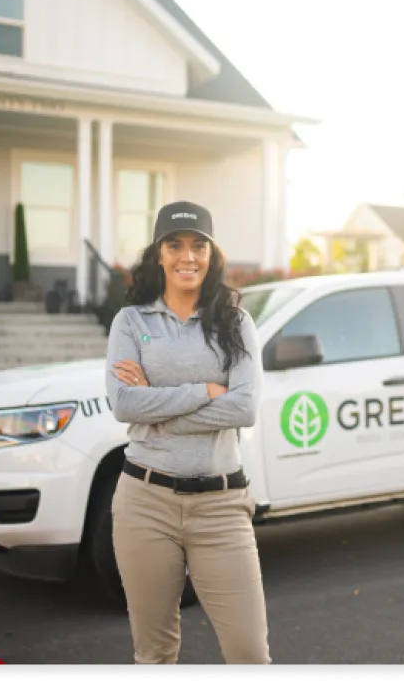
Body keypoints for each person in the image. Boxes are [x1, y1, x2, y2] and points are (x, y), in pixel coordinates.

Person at [105, 200, 271, 666]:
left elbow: (243, 408)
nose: (188, 256)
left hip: (221, 507)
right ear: (158, 253)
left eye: (199, 245)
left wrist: (155, 403)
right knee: (154, 654)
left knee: (249, 653)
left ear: (212, 253)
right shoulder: (131, 322)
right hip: (144, 502)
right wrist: (204, 389)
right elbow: (123, 404)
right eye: (175, 244)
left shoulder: (236, 323)